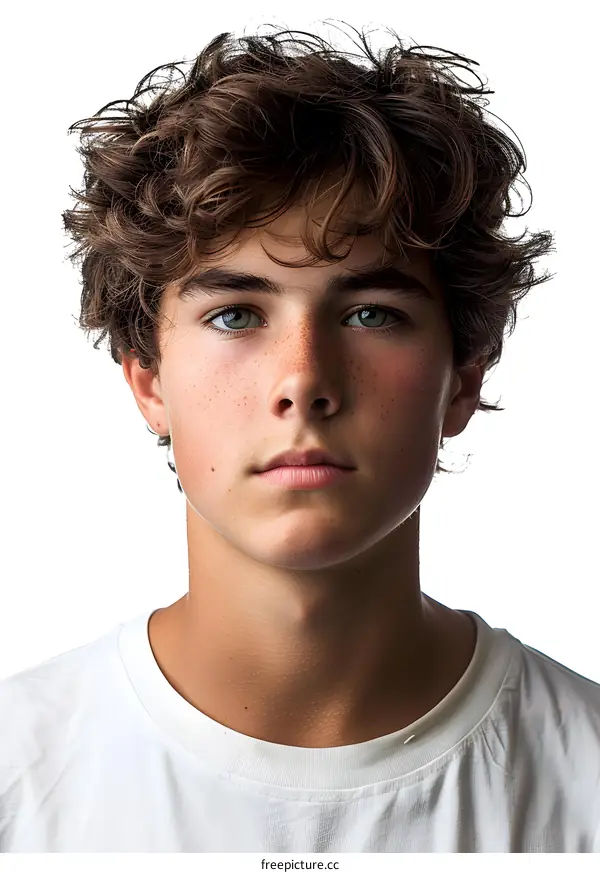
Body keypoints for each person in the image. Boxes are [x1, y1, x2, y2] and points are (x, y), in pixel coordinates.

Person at [1, 21, 598, 854]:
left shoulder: (585, 783)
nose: (304, 378)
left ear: (463, 376)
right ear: (147, 379)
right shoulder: (20, 783)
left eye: (370, 313)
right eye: (237, 314)